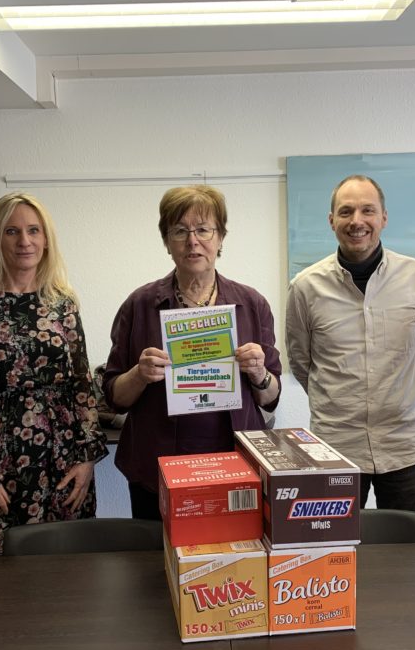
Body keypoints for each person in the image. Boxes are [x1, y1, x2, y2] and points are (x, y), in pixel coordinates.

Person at [103, 185, 282, 520]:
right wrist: (139, 374)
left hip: (235, 466)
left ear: (220, 237)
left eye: (203, 229)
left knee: (232, 551)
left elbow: (271, 398)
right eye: (180, 231)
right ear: (167, 241)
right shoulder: (139, 304)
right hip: (156, 469)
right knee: (154, 552)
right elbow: (114, 397)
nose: (192, 241)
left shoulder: (251, 304)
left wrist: (260, 373)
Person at [0, 192, 107, 556]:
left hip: (63, 458)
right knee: (0, 567)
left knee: (69, 566)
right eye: (12, 231)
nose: (24, 241)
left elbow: (82, 384)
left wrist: (86, 459)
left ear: (46, 239)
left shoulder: (63, 302)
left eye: (34, 230)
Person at [286, 174, 415, 512]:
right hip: (335, 447)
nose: (357, 221)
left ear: (384, 217)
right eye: (346, 211)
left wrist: (401, 397)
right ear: (332, 221)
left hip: (404, 446)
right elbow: (300, 361)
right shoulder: (305, 287)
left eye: (367, 210)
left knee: (405, 539)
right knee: (335, 541)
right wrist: (339, 402)